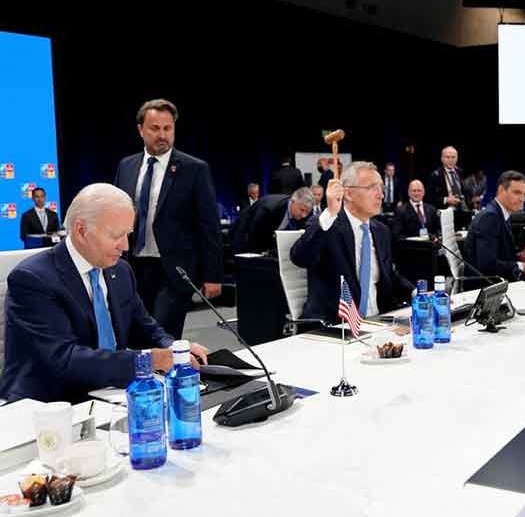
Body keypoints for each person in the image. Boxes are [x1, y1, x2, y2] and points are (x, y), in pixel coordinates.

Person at [0, 183, 208, 404]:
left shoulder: (120, 270)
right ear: (81, 231)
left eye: (128, 234)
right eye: (116, 235)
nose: (125, 246)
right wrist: (150, 360)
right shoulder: (33, 279)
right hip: (50, 403)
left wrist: (173, 348)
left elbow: (144, 327)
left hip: (108, 393)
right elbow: (63, 360)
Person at [113, 99, 223, 339]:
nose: (162, 135)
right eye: (155, 128)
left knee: (163, 336)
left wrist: (213, 275)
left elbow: (209, 226)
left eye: (167, 128)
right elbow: (116, 216)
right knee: (134, 335)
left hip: (173, 271)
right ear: (140, 130)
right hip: (133, 267)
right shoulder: (127, 166)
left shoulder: (194, 169)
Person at [291, 161, 412, 322]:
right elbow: (300, 257)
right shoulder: (328, 224)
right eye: (372, 188)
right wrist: (330, 214)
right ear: (348, 194)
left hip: (377, 321)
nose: (381, 195)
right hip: (337, 326)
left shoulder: (381, 230)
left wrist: (417, 294)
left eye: (381, 188)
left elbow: (388, 276)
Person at [463, 170, 525, 283]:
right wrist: (522, 266)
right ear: (501, 190)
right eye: (517, 193)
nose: (522, 199)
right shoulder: (490, 217)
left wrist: (518, 257)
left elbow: (498, 254)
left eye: (524, 194)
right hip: (485, 286)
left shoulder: (500, 214)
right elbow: (487, 264)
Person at [232, 188, 315, 254]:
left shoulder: (305, 212)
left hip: (266, 240)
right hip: (245, 235)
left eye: (307, 212)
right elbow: (255, 237)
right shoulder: (269, 210)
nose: (304, 215)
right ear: (292, 202)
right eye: (301, 210)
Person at [427, 146, 468, 211]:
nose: (451, 160)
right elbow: (430, 198)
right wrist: (446, 200)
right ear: (442, 159)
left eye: (453, 157)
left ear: (457, 159)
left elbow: (464, 192)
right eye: (447, 157)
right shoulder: (435, 175)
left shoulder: (460, 172)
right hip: (444, 211)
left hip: (462, 209)